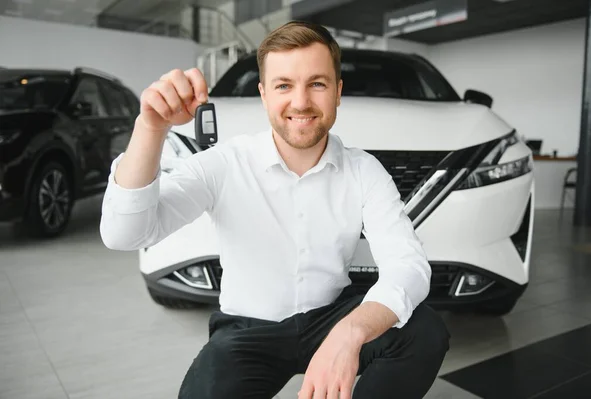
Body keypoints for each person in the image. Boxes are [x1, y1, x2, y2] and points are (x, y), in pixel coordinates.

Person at [100, 20, 450, 399]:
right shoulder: (224, 162)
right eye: (284, 85)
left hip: (330, 318)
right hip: (247, 332)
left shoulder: (363, 169)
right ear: (264, 95)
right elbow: (125, 234)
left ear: (337, 93)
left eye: (317, 83)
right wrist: (150, 128)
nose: (301, 102)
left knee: (424, 331)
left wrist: (352, 332)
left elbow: (409, 265)